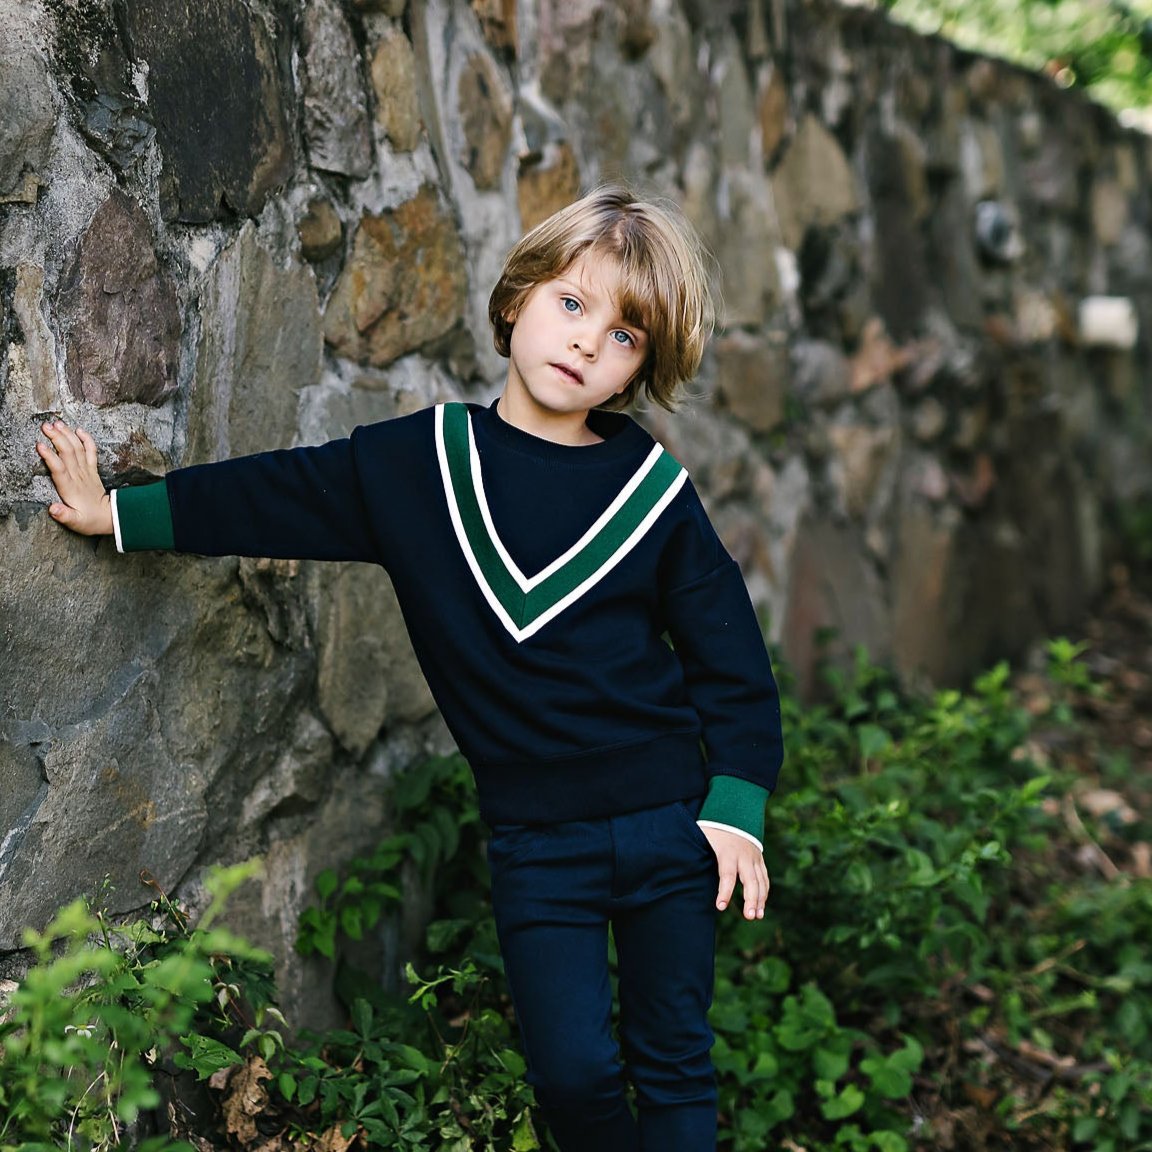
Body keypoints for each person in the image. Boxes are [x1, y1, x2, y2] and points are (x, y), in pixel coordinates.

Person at [38, 184, 784, 1151]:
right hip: (537, 842)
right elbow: (280, 495)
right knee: (572, 1072)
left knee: (674, 1058)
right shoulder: (421, 466)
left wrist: (735, 804)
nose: (589, 342)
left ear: (640, 369)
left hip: (667, 822)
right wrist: (120, 515)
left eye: (626, 336)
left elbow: (731, 661)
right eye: (573, 303)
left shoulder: (653, 493)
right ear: (517, 299)